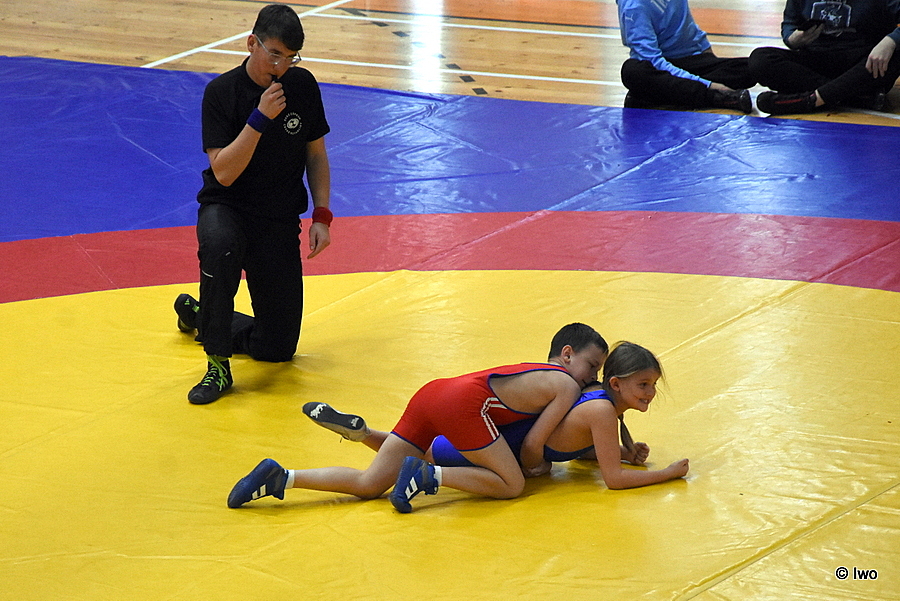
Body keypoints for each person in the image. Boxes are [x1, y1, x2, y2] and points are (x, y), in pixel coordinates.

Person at [226, 323, 609, 512]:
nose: (593, 376)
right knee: (511, 484)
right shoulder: (566, 386)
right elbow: (532, 444)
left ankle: (284, 477)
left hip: (433, 393)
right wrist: (538, 467)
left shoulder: (532, 371)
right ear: (567, 354)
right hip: (464, 405)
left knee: (369, 484)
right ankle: (428, 476)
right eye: (592, 366)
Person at [173, 4, 334, 405]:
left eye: (291, 58)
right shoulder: (221, 93)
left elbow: (316, 154)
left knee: (277, 348)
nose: (281, 67)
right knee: (220, 246)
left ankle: (201, 315)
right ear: (251, 43)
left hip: (277, 217)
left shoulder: (302, 86)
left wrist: (322, 215)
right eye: (274, 54)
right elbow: (224, 172)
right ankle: (217, 365)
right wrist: (259, 118)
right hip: (227, 207)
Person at [305, 342, 690, 490]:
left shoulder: (596, 401)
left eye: (653, 385)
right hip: (489, 434)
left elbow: (580, 448)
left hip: (462, 411)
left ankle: (362, 434)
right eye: (643, 385)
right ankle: (426, 477)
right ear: (616, 383)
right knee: (504, 483)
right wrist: (668, 473)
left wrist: (622, 452)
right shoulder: (596, 405)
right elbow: (613, 480)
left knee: (407, 461)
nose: (650, 393)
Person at [750, 0, 900, 114]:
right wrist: (793, 39)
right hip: (817, 60)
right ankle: (853, 98)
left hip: (863, 63)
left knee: (897, 54)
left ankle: (810, 100)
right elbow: (790, 23)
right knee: (761, 59)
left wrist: (890, 41)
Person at [617, 0, 756, 113]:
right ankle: (715, 97)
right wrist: (709, 85)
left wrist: (709, 57)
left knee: (753, 66)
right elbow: (652, 60)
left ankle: (654, 97)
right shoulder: (633, 6)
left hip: (687, 63)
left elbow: (688, 26)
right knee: (633, 72)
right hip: (660, 70)